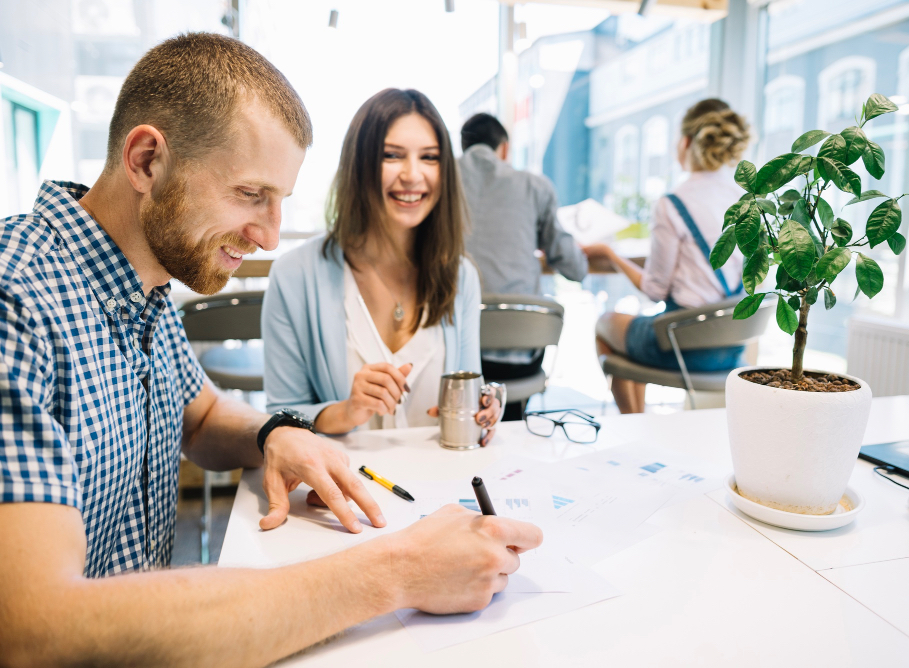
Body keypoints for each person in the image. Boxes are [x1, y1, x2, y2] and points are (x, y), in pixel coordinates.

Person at [0, 36, 541, 666]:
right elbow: (33, 630)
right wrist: (397, 570)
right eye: (251, 195)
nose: (268, 236)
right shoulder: (18, 300)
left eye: (281, 202)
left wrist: (275, 434)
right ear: (147, 160)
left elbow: (198, 418)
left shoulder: (140, 286)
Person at [262, 89, 502, 444]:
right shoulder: (294, 275)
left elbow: (471, 386)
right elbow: (279, 418)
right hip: (344, 489)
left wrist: (485, 406)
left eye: (430, 157)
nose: (412, 174)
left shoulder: (461, 276)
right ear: (359, 165)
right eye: (392, 155)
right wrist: (346, 411)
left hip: (442, 484)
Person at [583, 99, 751, 414]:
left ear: (686, 142)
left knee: (606, 325)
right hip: (733, 347)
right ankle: (641, 429)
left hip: (683, 346)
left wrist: (611, 255)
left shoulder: (672, 204)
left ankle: (635, 423)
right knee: (637, 330)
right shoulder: (746, 199)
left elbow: (654, 290)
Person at [459, 113, 587, 417]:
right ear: (504, 149)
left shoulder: (438, 181)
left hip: (453, 357)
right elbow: (574, 267)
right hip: (519, 356)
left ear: (463, 147)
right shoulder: (534, 187)